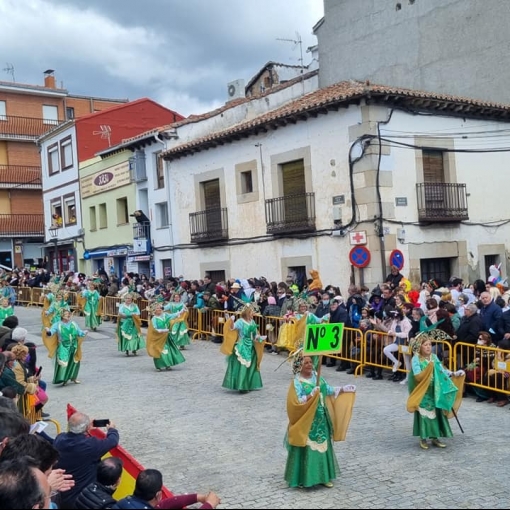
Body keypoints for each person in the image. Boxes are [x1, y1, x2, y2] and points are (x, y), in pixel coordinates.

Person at [284, 353, 356, 488]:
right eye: (306, 363)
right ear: (299, 366)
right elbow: (295, 402)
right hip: (306, 421)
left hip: (321, 419)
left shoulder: (318, 377)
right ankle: (304, 478)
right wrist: (310, 395)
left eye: (311, 362)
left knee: (323, 447)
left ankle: (323, 476)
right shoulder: (297, 382)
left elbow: (328, 390)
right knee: (307, 449)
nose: (310, 365)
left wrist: (343, 389)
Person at [407, 332, 465, 450]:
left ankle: (435, 437)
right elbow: (417, 376)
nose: (428, 347)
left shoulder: (434, 357)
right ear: (420, 347)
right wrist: (429, 367)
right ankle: (423, 438)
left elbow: (441, 370)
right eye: (425, 345)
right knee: (424, 413)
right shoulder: (416, 359)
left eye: (430, 344)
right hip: (423, 391)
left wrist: (453, 373)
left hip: (435, 390)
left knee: (437, 412)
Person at [54, 411, 120, 509]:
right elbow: (113, 441)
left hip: (61, 495)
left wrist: (87, 428)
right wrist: (112, 429)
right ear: (86, 428)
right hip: (82, 498)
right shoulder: (90, 445)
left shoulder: (59, 439)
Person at [112, 469, 220, 509]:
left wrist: (197, 497)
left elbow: (162, 505)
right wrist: (209, 505)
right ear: (158, 495)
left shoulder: (123, 502)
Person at [221, 304, 265, 393]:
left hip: (251, 346)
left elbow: (255, 334)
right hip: (242, 346)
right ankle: (242, 385)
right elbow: (232, 328)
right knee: (243, 366)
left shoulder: (252, 322)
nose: (253, 313)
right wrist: (231, 319)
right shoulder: (240, 321)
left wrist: (259, 338)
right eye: (251, 312)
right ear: (247, 313)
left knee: (251, 365)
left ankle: (249, 383)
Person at [44, 310, 88, 386]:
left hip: (74, 346)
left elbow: (79, 332)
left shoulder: (73, 324)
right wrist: (48, 331)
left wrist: (83, 332)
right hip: (63, 346)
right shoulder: (57, 325)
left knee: (74, 362)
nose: (68, 316)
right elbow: (51, 333)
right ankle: (63, 378)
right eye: (66, 314)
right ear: (62, 316)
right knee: (63, 362)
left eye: (69, 314)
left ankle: (73, 377)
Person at [146, 303, 185, 371]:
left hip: (166, 336)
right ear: (154, 310)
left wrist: (182, 311)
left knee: (168, 349)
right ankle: (159, 365)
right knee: (159, 350)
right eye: (158, 308)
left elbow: (173, 315)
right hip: (158, 338)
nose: (160, 309)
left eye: (160, 308)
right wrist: (162, 330)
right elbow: (154, 329)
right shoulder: (154, 319)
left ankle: (168, 364)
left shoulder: (165, 315)